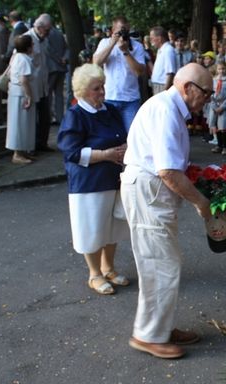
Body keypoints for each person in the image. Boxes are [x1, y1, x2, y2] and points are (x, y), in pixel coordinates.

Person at [121, 63, 212, 359]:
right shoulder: (165, 110)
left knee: (163, 261)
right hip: (149, 192)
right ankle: (148, 335)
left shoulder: (167, 107)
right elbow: (168, 172)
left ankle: (160, 327)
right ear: (188, 88)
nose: (207, 100)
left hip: (150, 192)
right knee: (160, 264)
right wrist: (201, 202)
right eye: (206, 94)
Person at [57, 63, 129, 296]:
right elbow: (72, 151)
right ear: (82, 91)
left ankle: (109, 268)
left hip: (113, 178)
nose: (102, 92)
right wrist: (107, 155)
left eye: (102, 87)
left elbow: (124, 135)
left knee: (114, 226)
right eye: (96, 88)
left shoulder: (109, 111)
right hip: (89, 182)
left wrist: (126, 147)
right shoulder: (75, 115)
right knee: (92, 228)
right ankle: (94, 274)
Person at [93, 16, 146, 132]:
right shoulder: (105, 43)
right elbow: (96, 63)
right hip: (109, 97)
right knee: (110, 135)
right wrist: (112, 44)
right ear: (113, 30)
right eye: (120, 31)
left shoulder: (137, 46)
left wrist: (126, 51)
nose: (123, 35)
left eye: (125, 31)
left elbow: (139, 72)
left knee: (131, 136)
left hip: (130, 100)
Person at [25, 14, 53, 152]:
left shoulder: (44, 40)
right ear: (39, 27)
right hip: (32, 85)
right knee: (33, 118)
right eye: (47, 30)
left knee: (44, 116)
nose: (48, 33)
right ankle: (32, 145)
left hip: (43, 84)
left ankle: (42, 143)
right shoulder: (27, 39)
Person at [5, 34, 35, 164]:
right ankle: (17, 154)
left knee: (20, 123)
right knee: (20, 123)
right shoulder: (24, 59)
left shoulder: (16, 57)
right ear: (28, 47)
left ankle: (21, 151)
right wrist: (29, 96)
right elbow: (24, 80)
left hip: (15, 92)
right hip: (20, 94)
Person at [208, 60, 226, 155]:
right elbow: (211, 93)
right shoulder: (214, 80)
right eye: (219, 69)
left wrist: (222, 107)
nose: (221, 71)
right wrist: (214, 106)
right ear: (217, 69)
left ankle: (225, 146)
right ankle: (219, 145)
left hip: (224, 106)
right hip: (215, 105)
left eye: (223, 68)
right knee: (215, 125)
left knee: (223, 127)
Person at [47, 24, 68, 124]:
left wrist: (58, 60)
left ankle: (49, 117)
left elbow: (49, 50)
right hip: (61, 68)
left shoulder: (47, 34)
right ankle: (59, 117)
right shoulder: (59, 33)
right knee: (59, 94)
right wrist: (64, 59)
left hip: (51, 68)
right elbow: (66, 48)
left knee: (49, 94)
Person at [149, 26, 176, 94]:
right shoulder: (161, 50)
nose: (151, 41)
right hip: (157, 85)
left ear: (159, 38)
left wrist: (164, 92)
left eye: (152, 38)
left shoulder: (168, 50)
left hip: (162, 86)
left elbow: (170, 72)